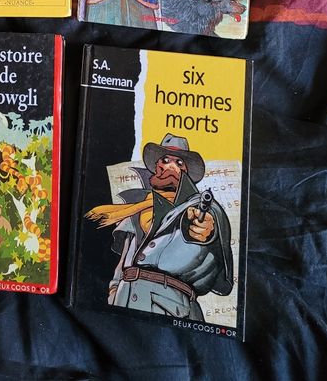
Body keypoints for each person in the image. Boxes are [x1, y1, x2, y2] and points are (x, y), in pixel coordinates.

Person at [86, 134, 233, 321]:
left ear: (186, 172)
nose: (171, 166)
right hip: (123, 301)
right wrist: (114, 291)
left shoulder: (197, 206)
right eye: (165, 160)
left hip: (170, 306)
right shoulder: (138, 209)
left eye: (179, 163)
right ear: (157, 167)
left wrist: (206, 231)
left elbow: (208, 226)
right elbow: (124, 261)